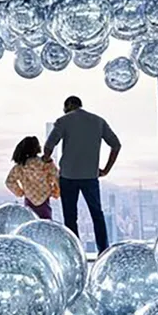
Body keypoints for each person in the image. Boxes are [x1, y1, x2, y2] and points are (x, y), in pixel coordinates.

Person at [43, 95, 121, 252]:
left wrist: (46, 158)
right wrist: (106, 169)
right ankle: (103, 250)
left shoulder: (63, 121)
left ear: (68, 105)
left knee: (70, 218)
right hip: (90, 177)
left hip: (68, 177)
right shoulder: (98, 121)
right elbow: (116, 145)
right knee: (97, 215)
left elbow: (49, 145)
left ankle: (75, 253)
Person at [5, 136, 60, 220]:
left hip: (29, 199)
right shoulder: (46, 164)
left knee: (30, 224)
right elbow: (57, 178)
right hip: (44, 200)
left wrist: (20, 192)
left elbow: (9, 182)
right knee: (45, 225)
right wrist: (55, 192)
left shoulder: (20, 167)